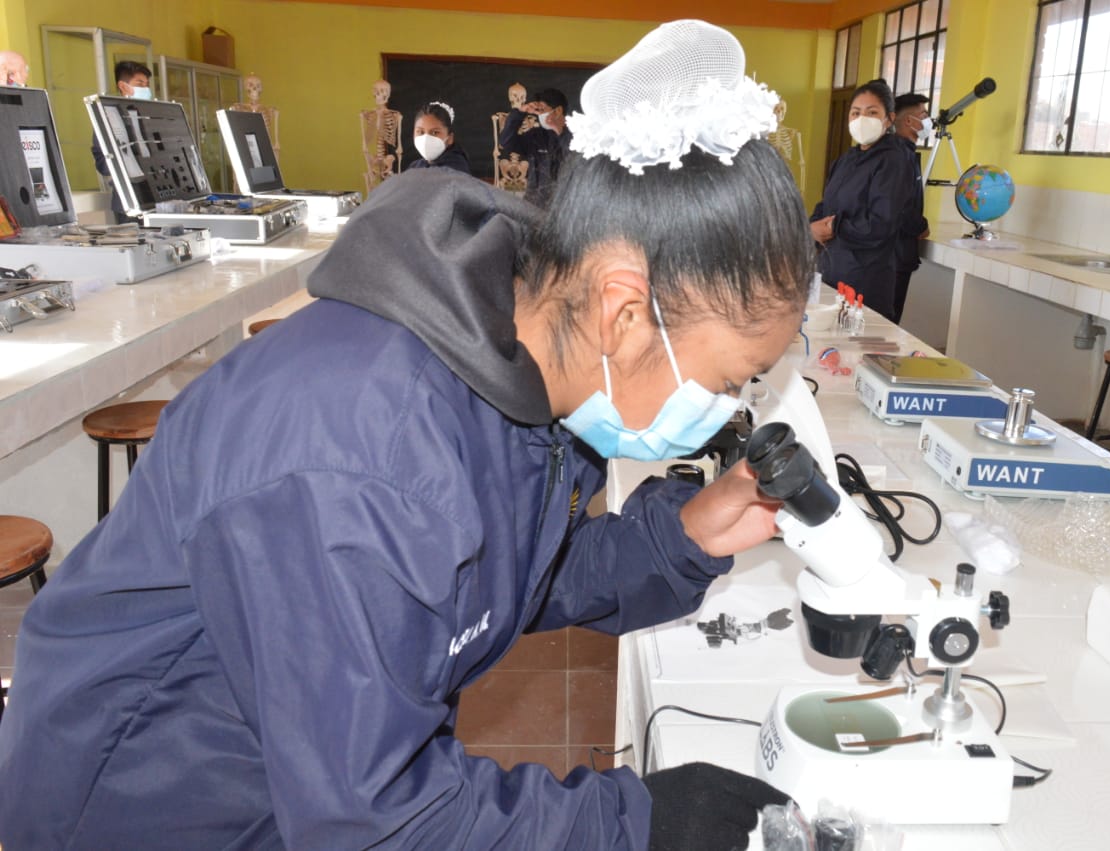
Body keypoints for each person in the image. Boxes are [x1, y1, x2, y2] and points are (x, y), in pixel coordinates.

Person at [0, 20, 808, 851]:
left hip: (297, 775)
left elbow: (507, 571)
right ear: (625, 310)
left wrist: (682, 533)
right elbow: (376, 821)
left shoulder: (524, 370)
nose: (727, 406)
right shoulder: (363, 459)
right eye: (728, 378)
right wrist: (641, 824)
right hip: (146, 805)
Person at [809, 78, 916, 322]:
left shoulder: (893, 161)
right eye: (855, 113)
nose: (861, 119)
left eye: (871, 112)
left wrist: (834, 227)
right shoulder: (847, 160)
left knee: (858, 349)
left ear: (888, 119)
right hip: (832, 270)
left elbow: (880, 223)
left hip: (867, 279)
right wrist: (812, 227)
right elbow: (826, 204)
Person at [92, 60, 153, 221]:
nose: (146, 89)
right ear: (123, 86)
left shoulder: (147, 115)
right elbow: (102, 162)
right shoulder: (108, 117)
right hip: (128, 200)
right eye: (140, 84)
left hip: (155, 195)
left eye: (147, 85)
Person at [890, 92, 931, 323]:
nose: (928, 121)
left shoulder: (905, 153)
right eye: (923, 115)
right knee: (888, 321)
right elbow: (900, 205)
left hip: (899, 254)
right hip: (894, 254)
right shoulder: (898, 157)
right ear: (908, 121)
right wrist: (920, 226)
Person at [498, 85, 572, 207]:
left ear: (558, 111)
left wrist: (557, 129)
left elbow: (572, 159)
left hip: (564, 207)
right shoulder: (537, 135)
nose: (539, 115)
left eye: (542, 110)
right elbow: (506, 142)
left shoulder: (578, 137)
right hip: (534, 204)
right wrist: (520, 113)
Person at [406, 100, 471, 174]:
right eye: (420, 132)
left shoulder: (456, 169)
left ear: (450, 138)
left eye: (435, 132)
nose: (426, 139)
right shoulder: (415, 166)